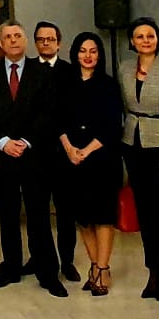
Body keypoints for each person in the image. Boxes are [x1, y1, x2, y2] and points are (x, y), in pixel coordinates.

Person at [0, 23, 66, 296]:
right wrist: (4, 142)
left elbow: (48, 113)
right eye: (8, 37)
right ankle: (11, 268)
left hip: (34, 155)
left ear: (25, 41)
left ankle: (48, 273)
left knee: (39, 215)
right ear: (0, 43)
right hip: (1, 155)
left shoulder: (43, 72)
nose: (13, 40)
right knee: (8, 214)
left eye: (17, 36)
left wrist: (25, 141)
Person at [118, 17, 159, 302]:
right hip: (133, 144)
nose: (145, 40)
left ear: (158, 39)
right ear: (132, 42)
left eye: (150, 36)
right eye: (140, 36)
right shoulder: (124, 68)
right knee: (144, 211)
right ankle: (152, 269)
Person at [55, 32, 122, 296]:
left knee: (103, 215)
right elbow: (57, 120)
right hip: (71, 158)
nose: (88, 56)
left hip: (102, 157)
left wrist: (87, 150)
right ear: (75, 54)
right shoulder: (65, 82)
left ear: (99, 55)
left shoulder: (108, 85)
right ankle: (94, 264)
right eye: (83, 50)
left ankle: (103, 268)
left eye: (93, 51)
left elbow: (112, 125)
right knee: (83, 217)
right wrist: (69, 148)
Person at [32, 21, 77, 277]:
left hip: (63, 152)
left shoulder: (70, 72)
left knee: (65, 211)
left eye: (50, 39)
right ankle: (38, 258)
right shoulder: (26, 70)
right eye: (41, 39)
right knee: (37, 211)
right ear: (36, 43)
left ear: (59, 43)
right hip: (35, 152)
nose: (46, 43)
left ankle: (67, 261)